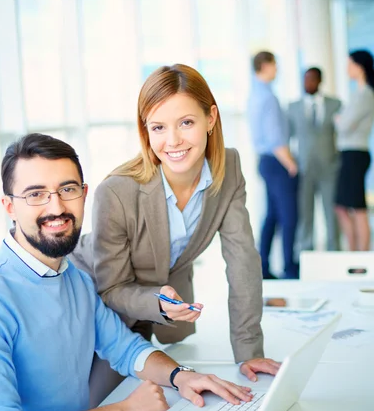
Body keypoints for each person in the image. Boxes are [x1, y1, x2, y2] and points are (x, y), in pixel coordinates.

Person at [0, 133, 275, 411]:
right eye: (36, 194)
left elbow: (125, 348)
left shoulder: (75, 279)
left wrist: (182, 376)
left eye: (67, 189)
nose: (56, 207)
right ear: (9, 206)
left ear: (84, 194)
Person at [71, 64, 280, 376]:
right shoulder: (116, 191)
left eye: (185, 123)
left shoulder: (229, 166)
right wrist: (156, 301)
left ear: (210, 118)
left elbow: (243, 261)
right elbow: (111, 286)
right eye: (158, 128)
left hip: (159, 313)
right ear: (145, 131)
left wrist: (249, 352)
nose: (173, 141)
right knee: (100, 401)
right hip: (93, 307)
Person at [247, 51, 299, 279]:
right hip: (277, 162)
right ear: (265, 66)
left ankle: (263, 266)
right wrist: (291, 164)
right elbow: (275, 138)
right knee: (289, 216)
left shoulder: (255, 94)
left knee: (272, 215)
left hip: (266, 161)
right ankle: (289, 267)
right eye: (274, 65)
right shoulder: (267, 96)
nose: (277, 69)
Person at [288, 67, 341, 251]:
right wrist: (292, 163)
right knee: (305, 213)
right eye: (305, 79)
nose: (308, 83)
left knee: (331, 212)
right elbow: (287, 137)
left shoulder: (335, 104)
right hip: (304, 169)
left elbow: (343, 133)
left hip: (329, 168)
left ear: (319, 81)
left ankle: (335, 249)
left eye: (312, 79)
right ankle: (305, 251)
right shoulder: (293, 107)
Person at [335, 50, 374, 251]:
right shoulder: (358, 93)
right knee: (342, 205)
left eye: (350, 64)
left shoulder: (366, 94)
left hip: (355, 154)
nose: (347, 69)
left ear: (360, 66)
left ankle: (362, 255)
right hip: (350, 154)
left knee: (357, 207)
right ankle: (353, 252)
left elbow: (344, 124)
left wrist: (339, 119)